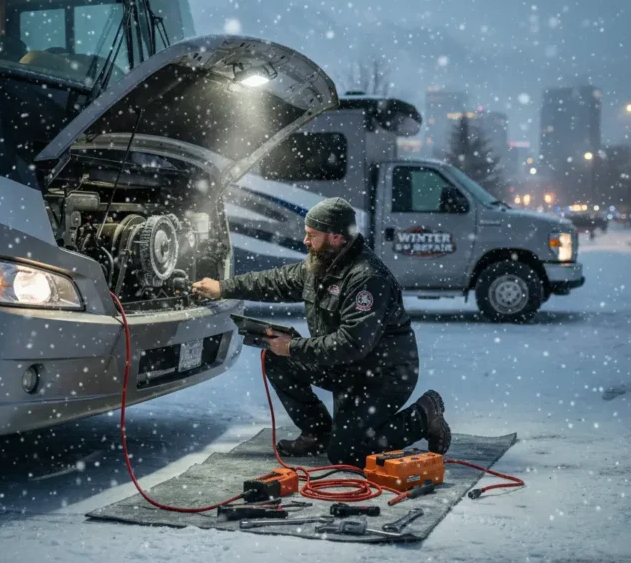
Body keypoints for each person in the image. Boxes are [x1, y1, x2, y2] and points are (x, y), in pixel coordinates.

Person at [192, 197, 451, 466]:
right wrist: (222, 287)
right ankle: (319, 433)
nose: (305, 241)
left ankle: (424, 415)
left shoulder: (367, 278)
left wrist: (293, 346)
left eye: (311, 235)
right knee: (278, 358)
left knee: (347, 454)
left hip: (382, 377)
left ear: (336, 236)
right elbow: (275, 282)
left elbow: (352, 343)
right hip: (344, 367)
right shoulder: (321, 264)